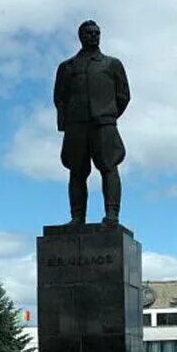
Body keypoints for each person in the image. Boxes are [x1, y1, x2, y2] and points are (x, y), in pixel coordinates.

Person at [53, 20, 131, 225]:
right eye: (89, 33)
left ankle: (112, 213)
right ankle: (77, 217)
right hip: (76, 125)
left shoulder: (112, 64)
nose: (93, 36)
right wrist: (68, 123)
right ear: (81, 36)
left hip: (103, 124)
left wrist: (108, 115)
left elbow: (123, 96)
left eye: (96, 33)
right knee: (77, 171)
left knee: (109, 167)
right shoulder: (67, 67)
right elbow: (60, 98)